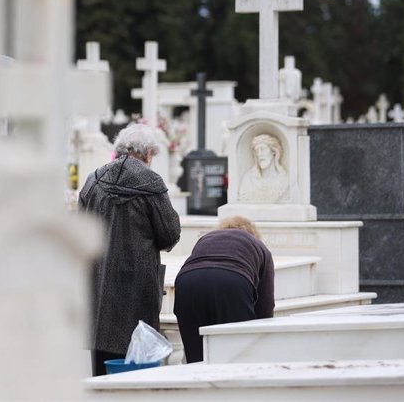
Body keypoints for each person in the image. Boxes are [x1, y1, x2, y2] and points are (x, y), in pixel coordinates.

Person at [78, 123, 181, 376]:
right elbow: (170, 233)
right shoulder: (150, 181)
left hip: (99, 285)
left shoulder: (93, 180)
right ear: (148, 154)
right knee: (138, 364)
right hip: (137, 286)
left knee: (102, 367)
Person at [173, 216, 274, 363]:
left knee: (196, 354)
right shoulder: (259, 245)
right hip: (232, 280)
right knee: (236, 352)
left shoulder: (206, 238)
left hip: (187, 281)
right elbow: (265, 302)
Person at [238, 133, 289, 202]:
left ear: (274, 151)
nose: (259, 154)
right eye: (257, 151)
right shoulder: (248, 179)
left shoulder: (283, 179)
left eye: (263, 149)